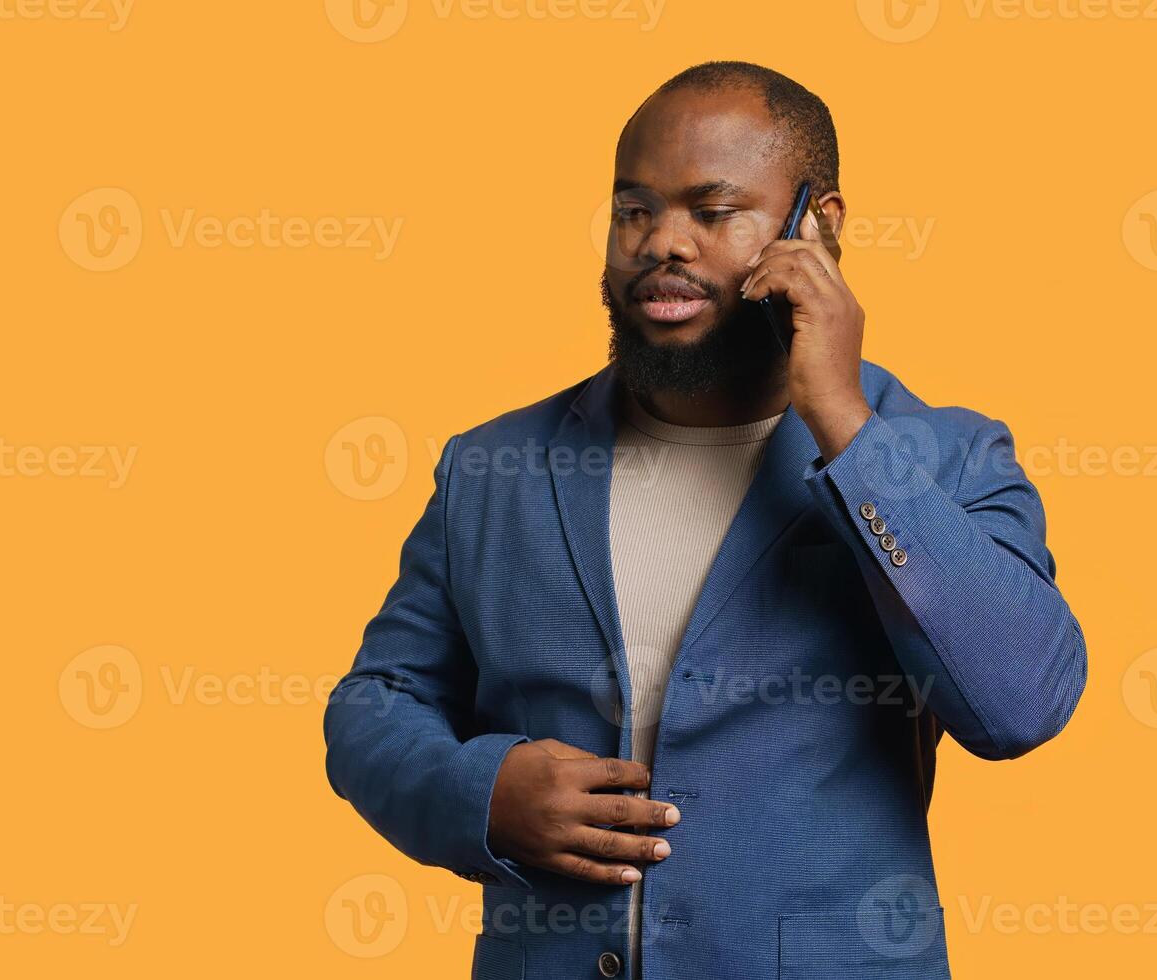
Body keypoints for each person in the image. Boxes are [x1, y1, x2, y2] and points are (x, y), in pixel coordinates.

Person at [324, 60, 1088, 980]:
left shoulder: (943, 459)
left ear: (819, 227)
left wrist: (844, 421)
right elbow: (375, 706)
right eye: (633, 210)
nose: (661, 244)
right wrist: (480, 795)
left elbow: (1021, 702)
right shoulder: (494, 468)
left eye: (713, 213)